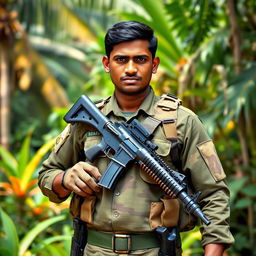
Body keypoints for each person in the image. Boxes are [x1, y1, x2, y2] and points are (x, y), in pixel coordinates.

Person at [38, 21, 234, 256]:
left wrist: (214, 251)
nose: (130, 68)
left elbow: (214, 194)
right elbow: (47, 176)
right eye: (121, 59)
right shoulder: (88, 119)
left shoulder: (182, 122)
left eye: (140, 59)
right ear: (106, 64)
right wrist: (66, 178)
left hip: (156, 250)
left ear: (154, 65)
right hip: (93, 250)